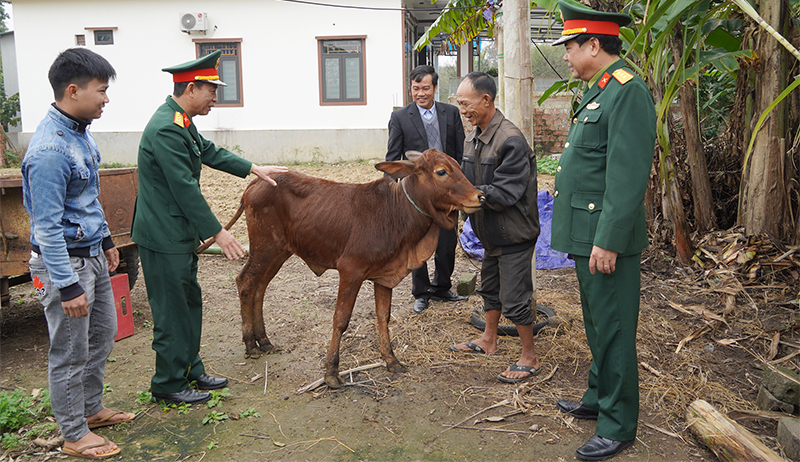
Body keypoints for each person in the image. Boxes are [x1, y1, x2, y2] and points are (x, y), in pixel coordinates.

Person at [131, 50, 287, 405]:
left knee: (189, 302)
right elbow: (183, 187)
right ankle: (168, 383)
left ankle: (190, 368)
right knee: (172, 310)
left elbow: (208, 151)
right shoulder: (166, 129)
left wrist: (253, 168)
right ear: (190, 89)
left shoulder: (181, 122)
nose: (215, 98)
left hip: (176, 232)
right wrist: (218, 232)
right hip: (163, 234)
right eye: (211, 91)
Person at [549, 1, 657, 460]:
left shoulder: (626, 92)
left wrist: (608, 239)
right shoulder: (600, 89)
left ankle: (618, 424)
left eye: (571, 47)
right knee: (597, 322)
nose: (567, 57)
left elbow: (627, 176)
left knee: (613, 328)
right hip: (586, 232)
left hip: (604, 238)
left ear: (594, 44)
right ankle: (598, 398)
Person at [22, 47, 135, 460]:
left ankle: (91, 410)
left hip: (89, 253)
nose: (106, 99)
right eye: (101, 91)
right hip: (64, 264)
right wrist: (67, 286)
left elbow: (87, 199)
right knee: (70, 350)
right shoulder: (50, 149)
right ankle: (73, 433)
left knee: (102, 335)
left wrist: (105, 241)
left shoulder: (78, 132)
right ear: (73, 90)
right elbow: (46, 226)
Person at [448, 72, 542, 384]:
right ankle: (489, 340)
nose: (462, 110)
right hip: (490, 234)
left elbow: (506, 193)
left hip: (513, 233)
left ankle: (529, 356)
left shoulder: (510, 140)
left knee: (515, 298)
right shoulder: (473, 135)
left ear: (486, 100)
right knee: (489, 289)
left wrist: (465, 194)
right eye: (459, 104)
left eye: (466, 103)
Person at [386, 65, 467, 314]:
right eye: (416, 88)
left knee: (446, 240)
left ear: (434, 87)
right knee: (417, 241)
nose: (421, 93)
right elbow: (392, 157)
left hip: (446, 191)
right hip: (417, 194)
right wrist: (392, 192)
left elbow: (460, 153)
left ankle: (442, 287)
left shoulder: (451, 113)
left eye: (425, 88)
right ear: (410, 89)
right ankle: (420, 293)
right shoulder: (400, 118)